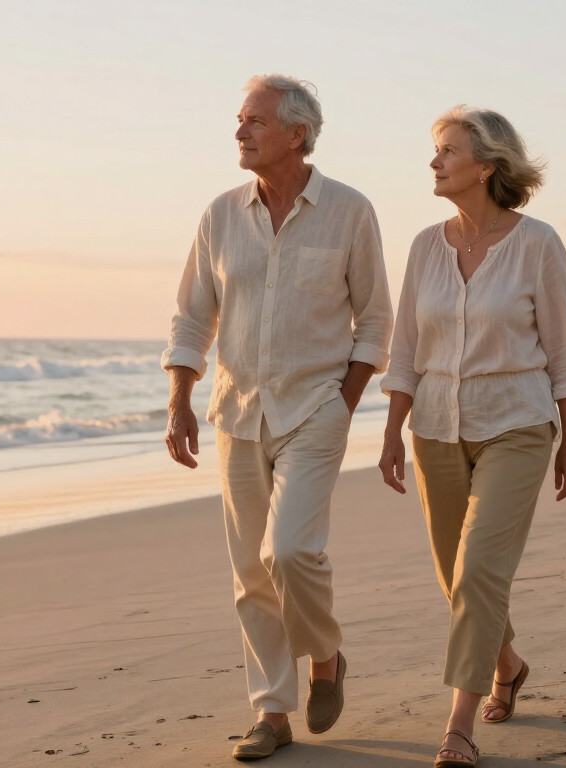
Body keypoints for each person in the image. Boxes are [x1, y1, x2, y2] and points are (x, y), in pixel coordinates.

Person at [162, 74, 394, 761]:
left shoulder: (349, 211)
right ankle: (271, 711)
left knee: (288, 552)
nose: (240, 132)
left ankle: (325, 658)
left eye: (255, 121)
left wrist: (342, 403)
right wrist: (179, 400)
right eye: (240, 119)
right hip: (236, 410)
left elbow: (375, 320)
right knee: (250, 574)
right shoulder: (220, 215)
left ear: (298, 133)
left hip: (315, 407)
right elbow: (191, 316)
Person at [377, 105, 566, 767]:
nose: (434, 161)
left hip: (519, 426)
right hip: (434, 430)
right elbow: (405, 350)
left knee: (477, 576)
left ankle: (459, 728)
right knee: (458, 580)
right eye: (434, 150)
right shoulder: (422, 246)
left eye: (447, 151)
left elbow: (564, 348)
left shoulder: (538, 244)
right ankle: (509, 663)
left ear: (488, 166)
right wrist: (390, 431)